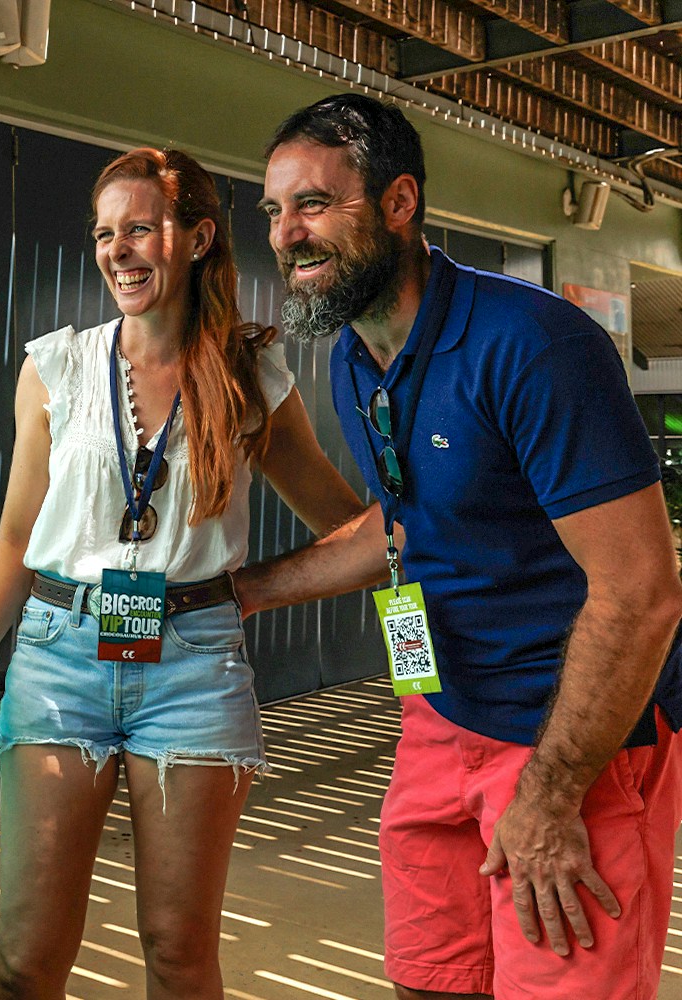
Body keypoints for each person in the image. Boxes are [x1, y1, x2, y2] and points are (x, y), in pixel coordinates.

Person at [238, 93, 682, 1000]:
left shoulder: (534, 346)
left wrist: (552, 795)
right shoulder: (356, 356)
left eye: (315, 203)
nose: (287, 233)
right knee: (431, 980)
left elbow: (643, 592)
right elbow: (406, 529)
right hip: (441, 718)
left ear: (399, 203)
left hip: (572, 739)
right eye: (276, 211)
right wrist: (235, 593)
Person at [0, 148, 365, 999]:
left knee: (178, 953)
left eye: (139, 229)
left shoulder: (249, 373)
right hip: (57, 658)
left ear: (196, 239)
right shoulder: (56, 367)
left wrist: (267, 590)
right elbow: (16, 533)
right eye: (104, 233)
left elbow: (359, 532)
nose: (118, 249)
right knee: (24, 957)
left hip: (195, 661)